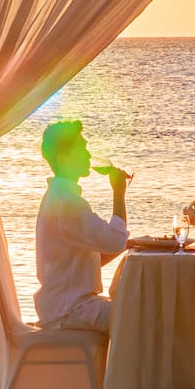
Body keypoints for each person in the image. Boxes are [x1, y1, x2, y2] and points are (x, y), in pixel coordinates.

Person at [32, 119, 130, 332]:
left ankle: (123, 365)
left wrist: (129, 245)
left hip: (61, 305)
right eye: (82, 149)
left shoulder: (57, 196)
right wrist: (119, 193)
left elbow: (75, 261)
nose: (88, 155)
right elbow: (115, 241)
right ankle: (131, 366)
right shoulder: (69, 203)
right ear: (63, 157)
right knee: (142, 314)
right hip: (71, 310)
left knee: (139, 309)